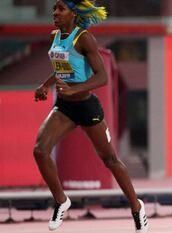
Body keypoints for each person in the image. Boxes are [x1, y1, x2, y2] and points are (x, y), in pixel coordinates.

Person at [33, 1, 149, 232]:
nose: (55, 12)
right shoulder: (55, 36)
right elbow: (61, 68)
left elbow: (102, 77)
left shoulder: (84, 39)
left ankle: (137, 208)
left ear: (73, 14)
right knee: (40, 150)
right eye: (54, 8)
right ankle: (61, 201)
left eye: (61, 9)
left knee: (110, 160)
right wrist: (46, 86)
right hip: (65, 107)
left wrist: (75, 89)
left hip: (87, 108)